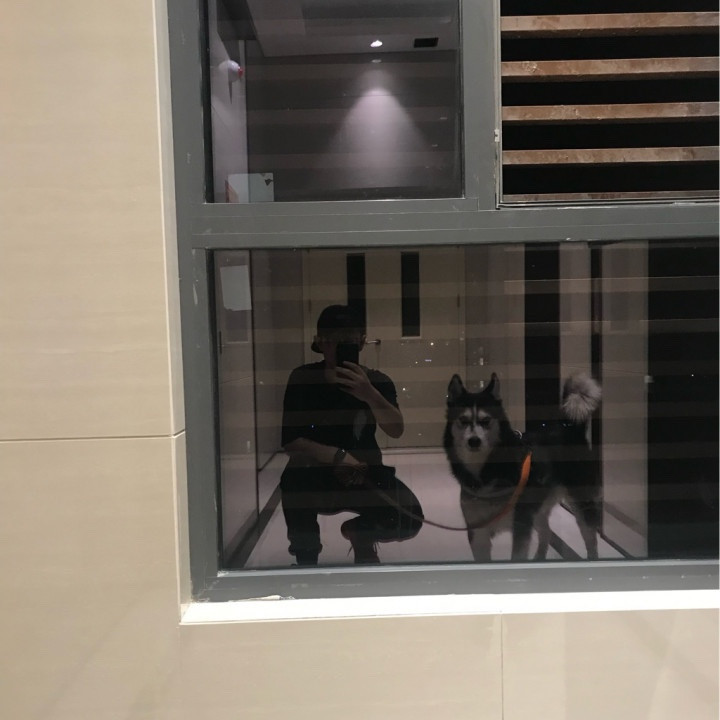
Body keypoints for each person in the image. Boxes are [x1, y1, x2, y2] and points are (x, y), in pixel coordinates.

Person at [280, 305, 424, 565]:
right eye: (332, 340)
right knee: (292, 480)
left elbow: (396, 430)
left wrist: (370, 394)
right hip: (316, 473)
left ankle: (361, 534)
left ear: (361, 342)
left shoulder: (376, 382)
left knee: (410, 517)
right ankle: (306, 557)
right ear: (319, 342)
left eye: (347, 340)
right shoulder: (303, 378)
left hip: (364, 472)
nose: (338, 347)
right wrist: (339, 456)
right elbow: (290, 441)